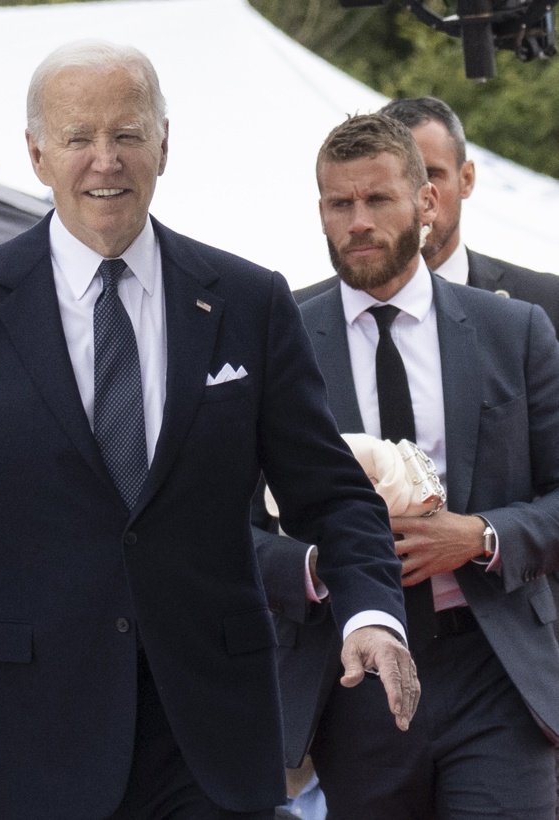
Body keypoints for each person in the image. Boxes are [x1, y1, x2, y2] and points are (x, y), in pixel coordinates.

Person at [0, 40, 418, 820]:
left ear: (165, 145)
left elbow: (332, 494)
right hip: (32, 734)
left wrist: (371, 612)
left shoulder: (249, 302)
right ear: (38, 154)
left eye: (127, 135)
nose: (105, 161)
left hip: (212, 733)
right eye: (79, 139)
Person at [259, 113, 559, 819]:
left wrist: (481, 536)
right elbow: (230, 523)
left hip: (494, 666)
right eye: (340, 204)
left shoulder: (513, 331)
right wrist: (314, 568)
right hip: (351, 676)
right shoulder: (281, 341)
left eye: (378, 200)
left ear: (426, 202)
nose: (358, 221)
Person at [294, 96, 559, 331]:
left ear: (466, 179)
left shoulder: (543, 304)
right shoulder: (295, 320)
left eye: (431, 174)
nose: (419, 195)